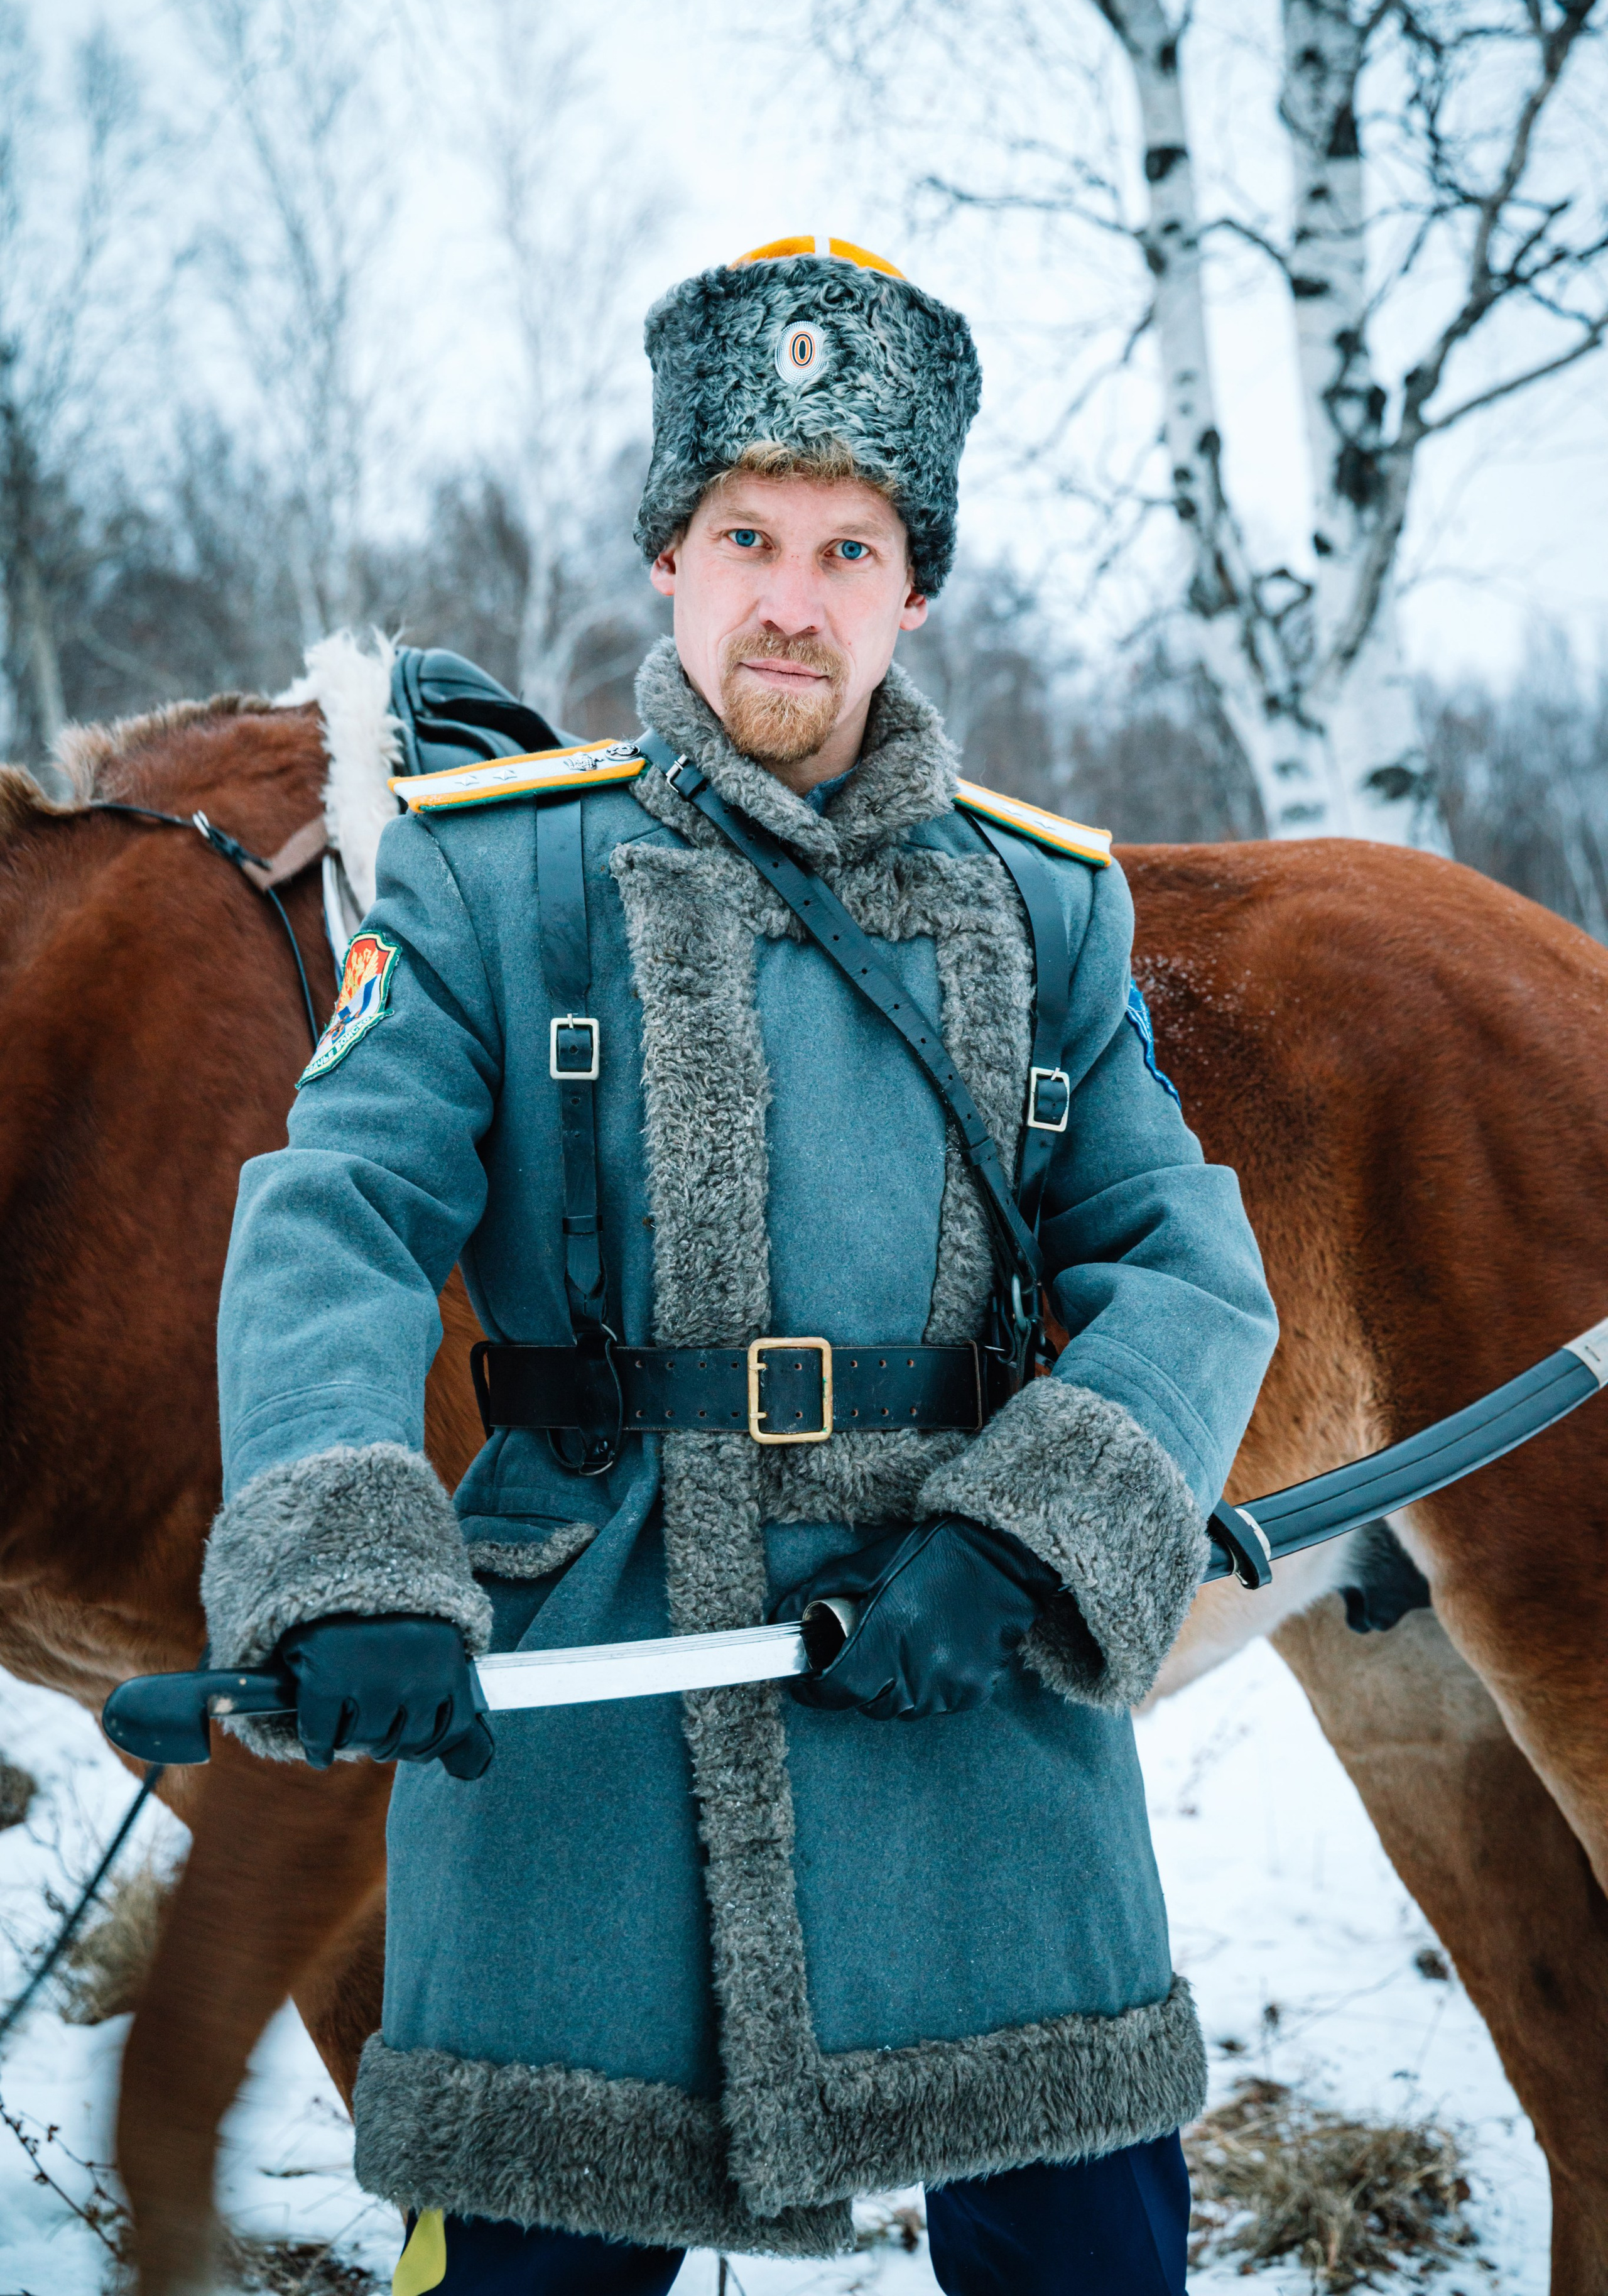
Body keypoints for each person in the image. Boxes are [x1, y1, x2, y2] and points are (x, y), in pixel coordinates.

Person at [204, 235, 1278, 2295]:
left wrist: (1034, 1540)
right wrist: (346, 1551)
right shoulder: (490, 869)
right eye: (749, 533)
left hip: (961, 1692)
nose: (795, 595)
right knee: (520, 2264)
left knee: (1093, 2255)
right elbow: (335, 1215)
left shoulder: (1049, 909)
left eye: (851, 546)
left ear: (915, 586)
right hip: (584, 1697)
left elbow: (1185, 1263)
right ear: (671, 559)